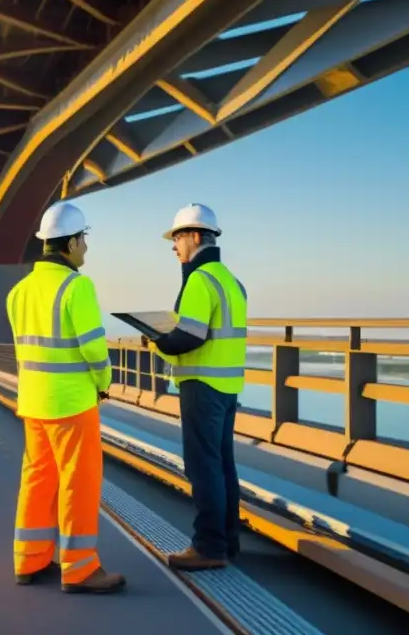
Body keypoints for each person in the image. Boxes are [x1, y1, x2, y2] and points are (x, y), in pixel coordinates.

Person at [7, 201, 126, 594]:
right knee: (79, 481)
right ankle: (79, 569)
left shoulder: (19, 292)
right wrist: (105, 381)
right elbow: (94, 348)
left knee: (38, 478)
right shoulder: (77, 287)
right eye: (84, 241)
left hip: (33, 403)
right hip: (72, 403)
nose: (86, 250)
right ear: (71, 243)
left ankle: (29, 560)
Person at [143, 204, 247, 571]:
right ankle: (227, 543)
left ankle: (208, 547)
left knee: (203, 468)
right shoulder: (232, 280)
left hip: (201, 384)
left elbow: (189, 336)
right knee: (223, 467)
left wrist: (157, 339)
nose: (174, 247)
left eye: (177, 238)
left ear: (196, 237)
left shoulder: (200, 281)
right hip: (227, 384)